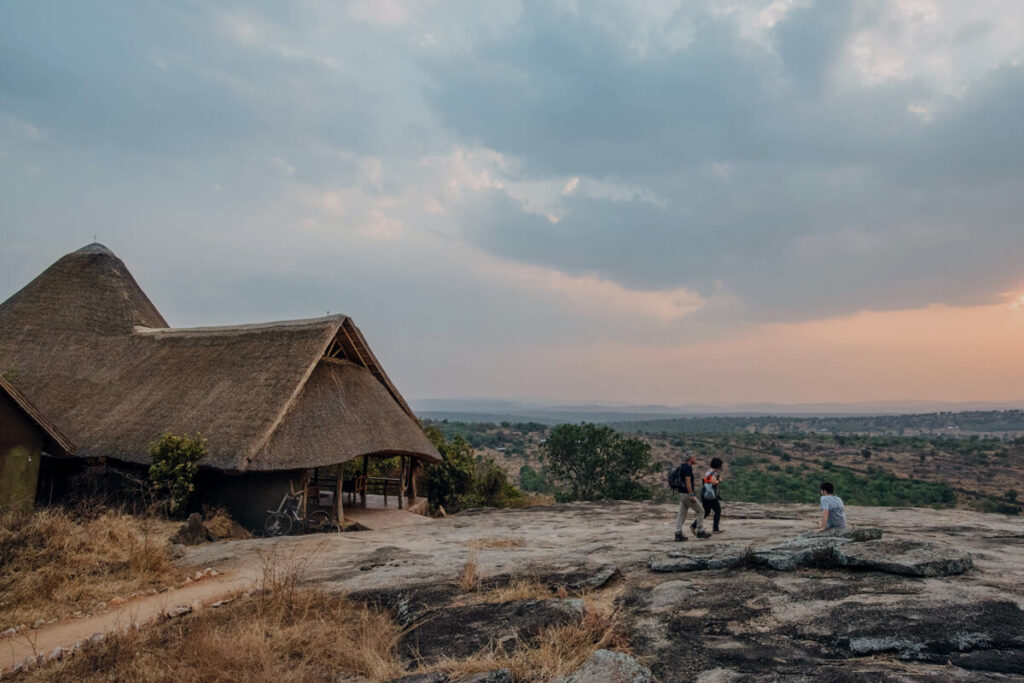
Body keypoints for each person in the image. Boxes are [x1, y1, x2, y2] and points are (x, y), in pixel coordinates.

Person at [675, 452, 711, 541]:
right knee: (701, 511)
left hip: (681, 494)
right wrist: (691, 495)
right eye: (694, 457)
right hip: (687, 494)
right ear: (690, 458)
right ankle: (700, 531)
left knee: (681, 514)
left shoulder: (682, 466)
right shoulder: (687, 467)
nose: (695, 458)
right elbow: (688, 482)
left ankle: (678, 534)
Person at [698, 457, 723, 534]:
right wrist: (719, 480)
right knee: (717, 510)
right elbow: (713, 482)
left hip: (705, 494)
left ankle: (694, 525)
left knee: (706, 512)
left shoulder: (708, 471)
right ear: (718, 465)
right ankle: (715, 529)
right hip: (711, 496)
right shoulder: (714, 473)